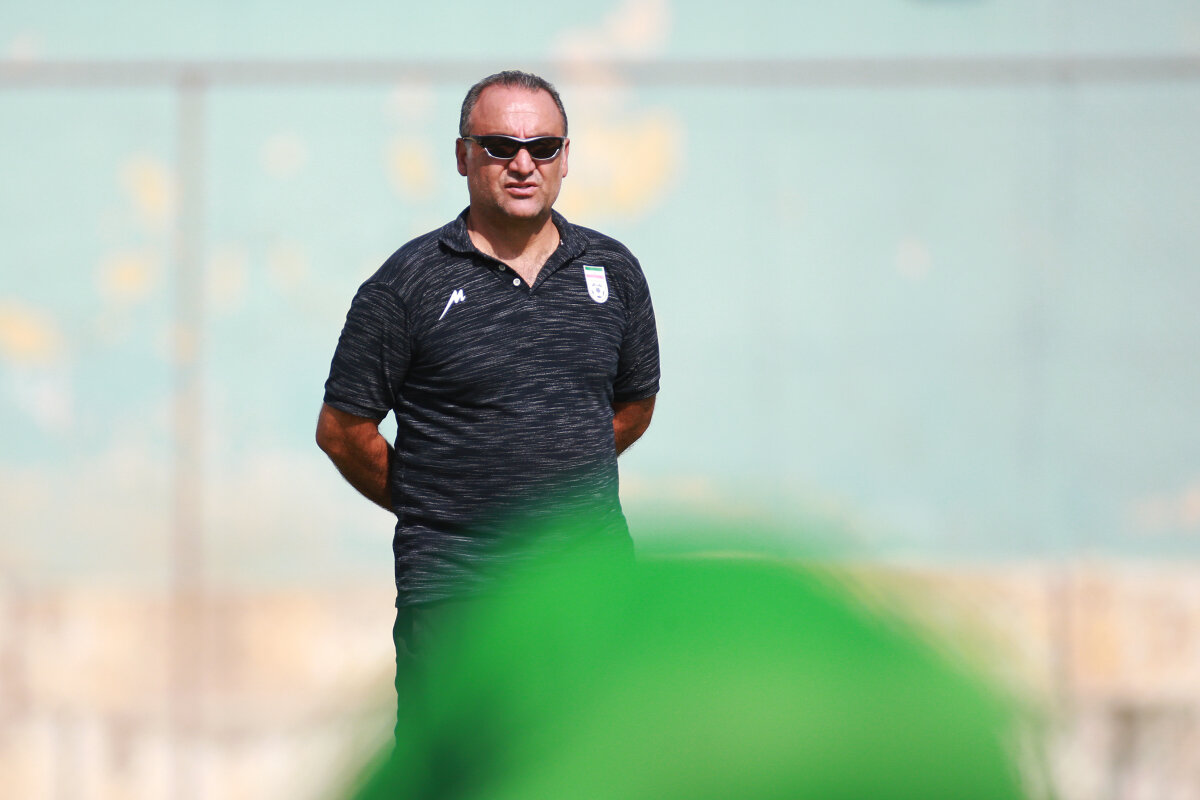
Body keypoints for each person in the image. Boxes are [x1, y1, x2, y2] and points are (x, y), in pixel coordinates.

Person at [315, 70, 659, 667]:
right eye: (500, 146)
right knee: (462, 738)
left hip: (592, 591)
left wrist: (557, 477)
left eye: (542, 147)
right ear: (462, 156)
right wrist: (440, 505)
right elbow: (342, 432)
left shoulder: (614, 271)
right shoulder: (406, 284)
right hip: (458, 600)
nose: (523, 164)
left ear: (565, 158)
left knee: (602, 734)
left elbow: (635, 405)